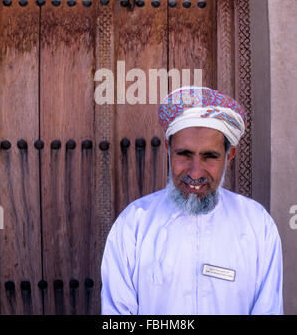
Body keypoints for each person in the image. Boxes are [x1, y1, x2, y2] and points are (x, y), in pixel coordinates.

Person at [100, 86, 283, 315]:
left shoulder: (257, 225)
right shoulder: (134, 224)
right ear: (168, 149)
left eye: (209, 156)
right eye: (184, 154)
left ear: (229, 156)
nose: (195, 172)